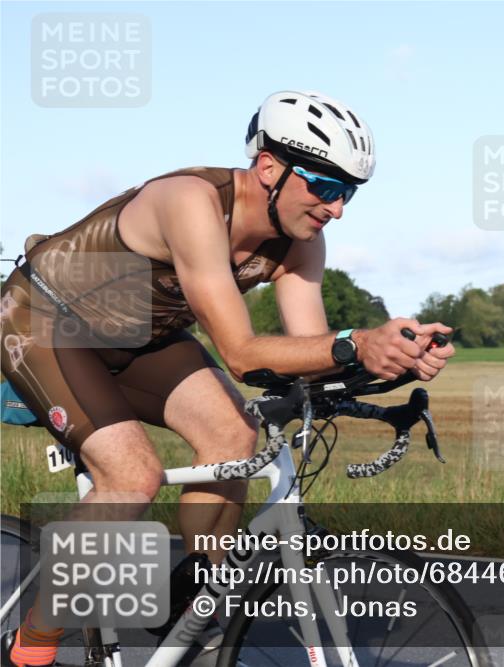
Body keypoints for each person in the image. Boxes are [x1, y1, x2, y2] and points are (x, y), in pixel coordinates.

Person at [0, 90, 454, 667]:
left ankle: (193, 600)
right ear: (269, 166)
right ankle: (35, 642)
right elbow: (241, 353)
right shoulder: (190, 201)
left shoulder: (301, 242)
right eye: (327, 187)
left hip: (142, 339)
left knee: (234, 439)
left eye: (349, 193)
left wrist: (385, 358)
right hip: (44, 325)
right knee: (133, 476)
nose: (337, 208)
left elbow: (307, 352)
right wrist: (357, 343)